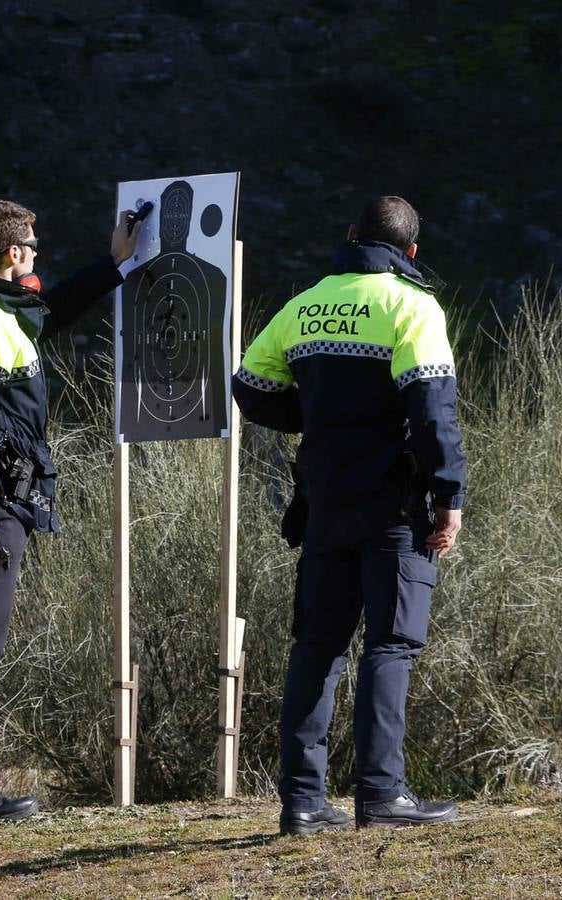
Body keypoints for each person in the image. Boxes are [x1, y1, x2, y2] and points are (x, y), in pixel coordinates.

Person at [231, 196, 466, 835]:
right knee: (391, 644)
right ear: (411, 252)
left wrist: (321, 417)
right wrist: (449, 496)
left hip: (324, 502)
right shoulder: (413, 305)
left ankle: (303, 803)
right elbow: (430, 410)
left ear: (351, 236)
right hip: (394, 505)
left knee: (317, 647)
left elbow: (249, 386)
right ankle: (382, 794)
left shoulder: (306, 303)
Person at [0, 198, 143, 827]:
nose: (39, 254)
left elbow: (52, 312)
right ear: (14, 253)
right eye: (34, 245)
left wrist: (113, 264)